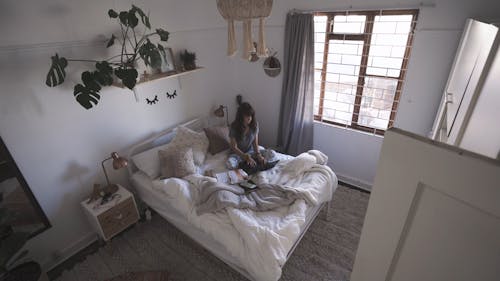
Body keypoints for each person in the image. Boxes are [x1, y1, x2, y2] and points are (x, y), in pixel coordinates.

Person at [226, 102, 276, 171]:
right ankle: (245, 164)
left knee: (272, 153)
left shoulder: (255, 125)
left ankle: (251, 163)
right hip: (237, 154)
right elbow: (234, 147)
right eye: (247, 115)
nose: (249, 118)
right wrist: (245, 157)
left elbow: (255, 143)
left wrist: (258, 155)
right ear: (241, 116)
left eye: (251, 115)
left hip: (250, 152)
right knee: (230, 164)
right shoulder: (234, 127)